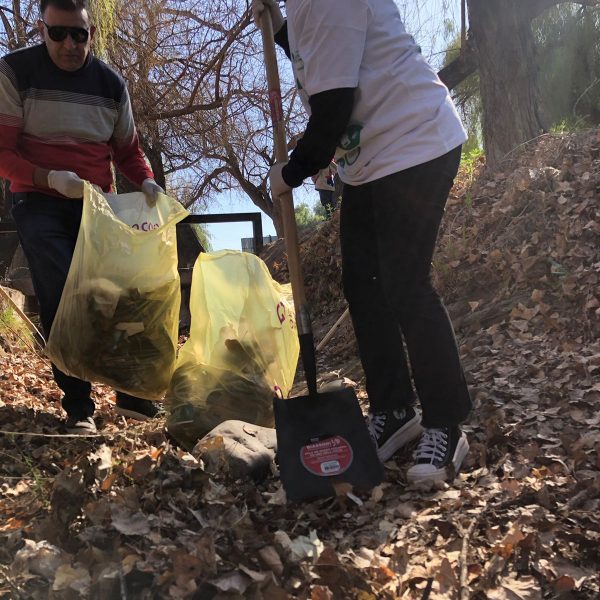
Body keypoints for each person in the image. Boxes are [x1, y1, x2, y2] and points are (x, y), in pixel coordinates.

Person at [253, 0, 472, 484]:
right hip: (369, 161)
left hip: (415, 141)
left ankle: (446, 422)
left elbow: (333, 110)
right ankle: (395, 410)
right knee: (362, 284)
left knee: (404, 283)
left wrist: (290, 172)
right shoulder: (304, 7)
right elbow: (315, 54)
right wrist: (281, 26)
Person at [0, 0, 165, 433]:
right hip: (38, 200)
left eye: (78, 34)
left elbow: (127, 150)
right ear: (42, 30)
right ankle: (79, 407)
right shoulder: (14, 72)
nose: (69, 44)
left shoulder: (111, 84)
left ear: (91, 33)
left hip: (97, 204)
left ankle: (132, 396)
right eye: (58, 33)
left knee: (117, 295)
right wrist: (49, 178)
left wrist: (146, 181)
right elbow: (3, 152)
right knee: (62, 293)